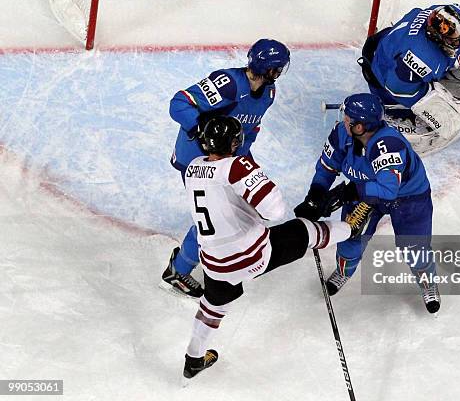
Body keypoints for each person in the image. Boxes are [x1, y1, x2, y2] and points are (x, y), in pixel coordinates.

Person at [180, 116, 357, 379]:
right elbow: (274, 211)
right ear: (234, 143)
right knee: (305, 230)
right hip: (252, 256)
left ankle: (193, 360)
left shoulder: (194, 166)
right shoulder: (237, 166)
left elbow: (221, 197)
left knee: (213, 306)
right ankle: (352, 227)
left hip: (214, 263)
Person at [160, 39, 291, 298]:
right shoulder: (229, 84)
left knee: (237, 207)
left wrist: (244, 162)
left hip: (229, 156)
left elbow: (250, 129)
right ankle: (178, 269)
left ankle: (226, 253)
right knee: (211, 218)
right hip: (199, 158)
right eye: (278, 68)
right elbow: (179, 103)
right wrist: (199, 129)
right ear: (268, 68)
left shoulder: (268, 93)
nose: (279, 73)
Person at [294, 93, 440, 314]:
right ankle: (343, 272)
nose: (343, 120)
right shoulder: (341, 133)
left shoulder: (387, 145)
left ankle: (428, 285)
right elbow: (327, 167)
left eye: (348, 118)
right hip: (364, 193)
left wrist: (348, 191)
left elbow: (388, 190)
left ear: (360, 127)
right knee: (349, 239)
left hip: (408, 199)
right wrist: (316, 195)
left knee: (414, 248)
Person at [358, 4, 460, 155]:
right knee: (413, 99)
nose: (445, 27)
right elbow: (397, 88)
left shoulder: (438, 13)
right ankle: (400, 116)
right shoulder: (418, 57)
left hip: (388, 47)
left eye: (449, 29)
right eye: (443, 29)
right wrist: (429, 99)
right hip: (384, 73)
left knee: (430, 66)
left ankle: (435, 78)